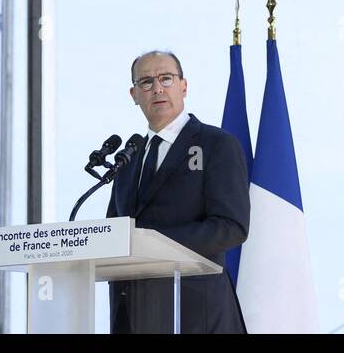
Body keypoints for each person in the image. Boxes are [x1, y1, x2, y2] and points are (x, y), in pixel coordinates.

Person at [106, 50, 250, 333]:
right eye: (146, 82)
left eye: (166, 78)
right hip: (133, 316)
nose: (157, 88)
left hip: (196, 314)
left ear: (184, 86)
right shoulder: (129, 157)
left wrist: (153, 243)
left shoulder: (216, 145)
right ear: (134, 94)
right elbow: (116, 232)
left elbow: (231, 227)